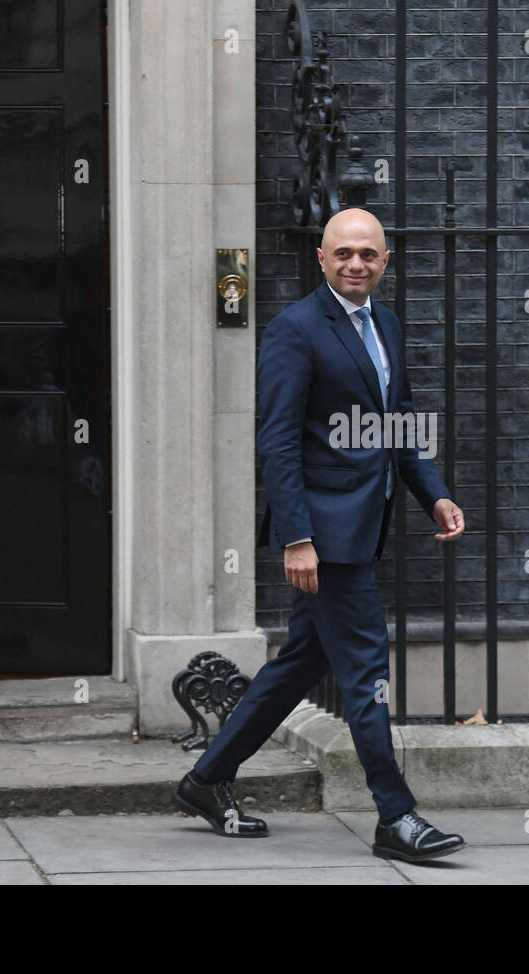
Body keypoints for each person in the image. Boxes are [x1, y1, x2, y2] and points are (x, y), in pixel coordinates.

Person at [172, 208, 468, 862]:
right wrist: (297, 538)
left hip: (363, 524)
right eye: (343, 254)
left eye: (368, 254)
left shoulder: (384, 325)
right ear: (322, 259)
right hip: (327, 537)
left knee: (299, 665)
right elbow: (277, 443)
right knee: (366, 670)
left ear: (385, 261)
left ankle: (207, 777)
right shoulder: (295, 330)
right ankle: (396, 816)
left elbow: (400, 425)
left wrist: (435, 495)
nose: (355, 264)